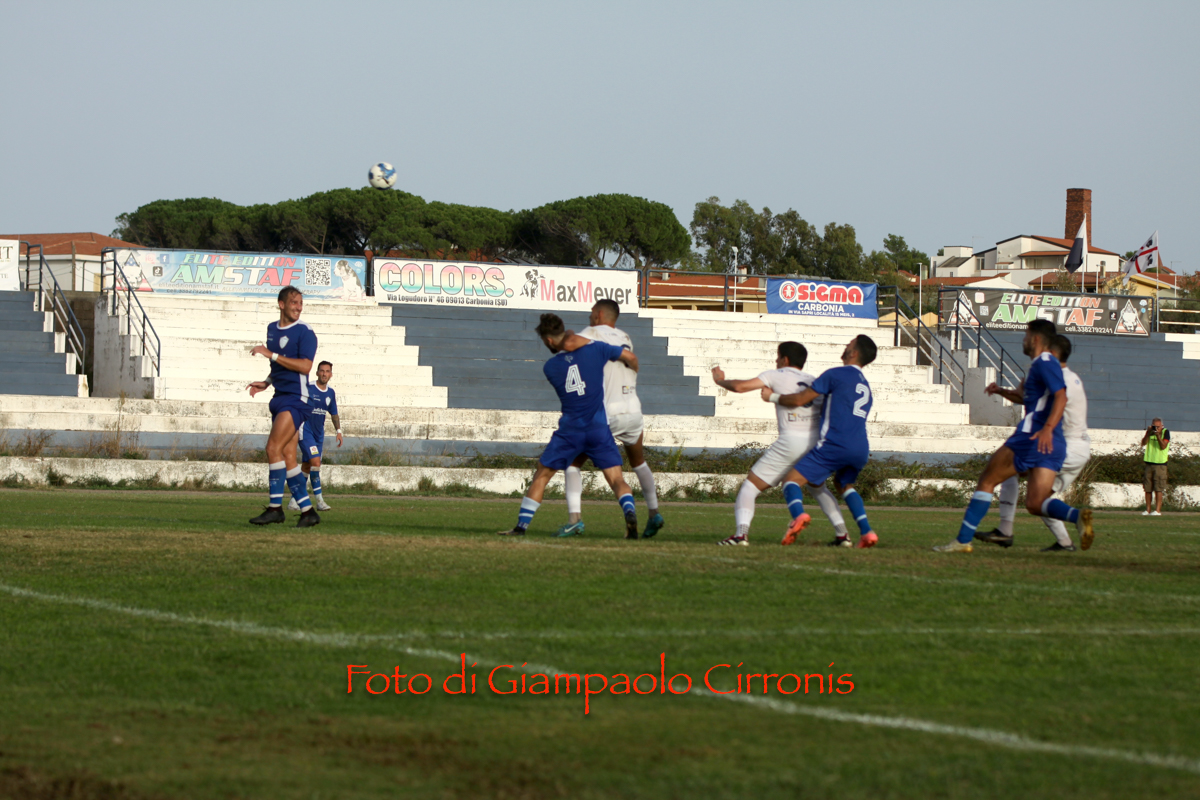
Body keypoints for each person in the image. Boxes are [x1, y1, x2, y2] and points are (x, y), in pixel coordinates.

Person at [934, 319, 1093, 553]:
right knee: (1036, 503)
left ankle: (964, 540)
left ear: (1035, 339)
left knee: (987, 480)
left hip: (1031, 435)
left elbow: (1061, 396)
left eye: (1026, 336)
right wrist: (1001, 391)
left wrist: (1047, 427)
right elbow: (1034, 397)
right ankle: (1076, 516)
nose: (1023, 340)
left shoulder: (1044, 362)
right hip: (1053, 442)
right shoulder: (1046, 366)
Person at [499, 313, 642, 538]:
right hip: (598, 428)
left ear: (549, 340)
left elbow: (572, 363)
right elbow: (630, 357)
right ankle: (629, 512)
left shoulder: (551, 367)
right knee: (617, 479)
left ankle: (521, 527)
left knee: (542, 475)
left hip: (570, 431)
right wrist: (632, 373)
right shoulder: (597, 350)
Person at [710, 341, 851, 546]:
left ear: (785, 359)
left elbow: (740, 387)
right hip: (815, 443)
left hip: (791, 440)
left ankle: (741, 535)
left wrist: (720, 381)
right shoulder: (813, 380)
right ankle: (843, 535)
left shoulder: (775, 375)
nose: (776, 361)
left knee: (750, 487)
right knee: (818, 488)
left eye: (778, 357)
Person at [557, 299, 664, 539]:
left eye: (591, 313)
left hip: (606, 412)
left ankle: (575, 520)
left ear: (598, 314)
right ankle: (654, 513)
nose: (589, 316)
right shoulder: (625, 337)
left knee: (572, 463)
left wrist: (568, 335)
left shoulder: (593, 333)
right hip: (632, 409)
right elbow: (633, 363)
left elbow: (569, 344)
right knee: (639, 463)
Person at [762, 334, 880, 549]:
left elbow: (800, 399)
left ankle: (798, 516)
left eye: (849, 344)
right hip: (860, 447)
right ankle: (866, 532)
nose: (845, 345)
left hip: (835, 444)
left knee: (791, 481)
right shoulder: (864, 385)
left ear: (854, 353)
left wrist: (772, 397)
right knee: (844, 485)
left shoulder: (836, 374)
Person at [975, 334, 1091, 551]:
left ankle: (1005, 530)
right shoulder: (1071, 377)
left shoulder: (1058, 379)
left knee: (1009, 470)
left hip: (1061, 446)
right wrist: (1002, 391)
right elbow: (1029, 398)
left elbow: (1047, 400)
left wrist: (1044, 427)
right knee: (1040, 500)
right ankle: (1065, 542)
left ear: (1052, 353)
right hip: (1080, 449)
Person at [246, 286, 320, 528]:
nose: (298, 307)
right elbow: (278, 365)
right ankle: (308, 512)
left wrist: (271, 354)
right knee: (288, 457)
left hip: (297, 399)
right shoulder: (272, 329)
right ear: (281, 304)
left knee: (272, 448)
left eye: (300, 303)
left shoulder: (305, 331)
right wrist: (267, 382)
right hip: (279, 396)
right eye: (294, 303)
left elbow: (305, 367)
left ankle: (275, 508)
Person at [289, 360, 343, 512]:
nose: (324, 374)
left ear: (331, 374)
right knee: (316, 463)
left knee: (307, 466)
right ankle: (319, 501)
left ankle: (294, 500)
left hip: (319, 434)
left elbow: (334, 413)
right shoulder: (309, 388)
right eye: (322, 371)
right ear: (317, 373)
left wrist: (339, 431)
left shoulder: (331, 393)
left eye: (327, 371)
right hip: (305, 431)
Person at [1141, 418, 1170, 515]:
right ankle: (1148, 510)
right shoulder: (1150, 433)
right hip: (1149, 463)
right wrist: (1148, 432)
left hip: (1160, 464)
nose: (1156, 428)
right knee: (1148, 488)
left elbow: (1163, 446)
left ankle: (1157, 510)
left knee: (1158, 488)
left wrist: (1158, 436)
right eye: (1154, 426)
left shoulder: (1165, 432)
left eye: (1158, 426)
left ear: (1162, 426)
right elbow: (1143, 443)